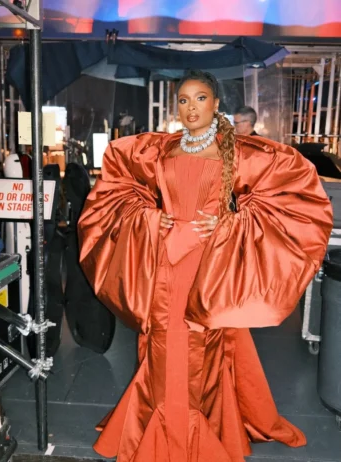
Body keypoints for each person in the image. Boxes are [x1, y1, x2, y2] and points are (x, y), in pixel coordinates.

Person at [78, 70, 333, 462]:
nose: (191, 107)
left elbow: (293, 188)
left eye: (200, 99)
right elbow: (117, 184)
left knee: (199, 347)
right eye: (183, 100)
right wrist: (148, 216)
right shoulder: (159, 150)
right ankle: (160, 420)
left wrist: (231, 221)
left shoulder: (238, 151)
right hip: (165, 262)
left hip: (207, 267)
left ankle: (188, 428)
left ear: (215, 104)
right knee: (161, 344)